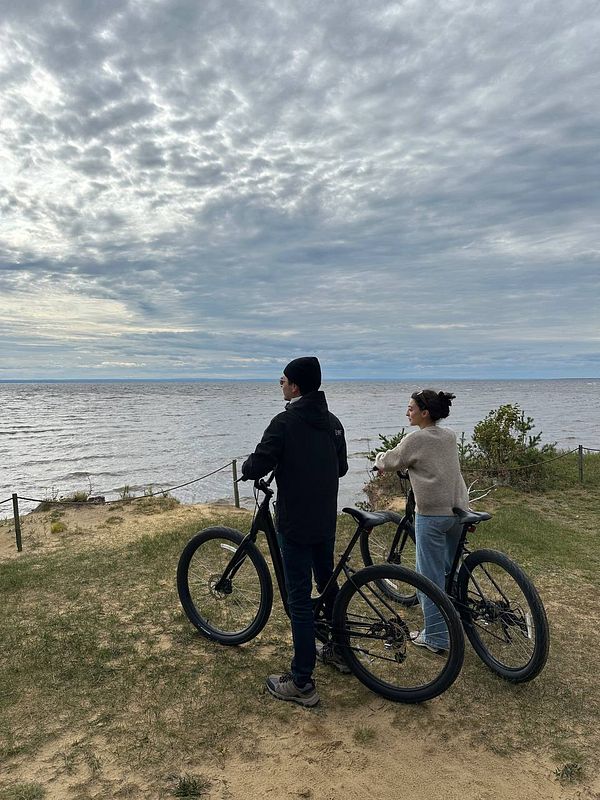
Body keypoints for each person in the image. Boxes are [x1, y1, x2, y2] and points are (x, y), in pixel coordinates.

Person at [241, 357, 348, 707]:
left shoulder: (285, 421)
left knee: (298, 600)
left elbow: (260, 461)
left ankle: (302, 681)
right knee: (327, 584)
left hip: (296, 522)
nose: (280, 384)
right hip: (324, 521)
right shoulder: (333, 423)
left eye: (284, 380)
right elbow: (342, 468)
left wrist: (248, 468)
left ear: (296, 387)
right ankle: (342, 652)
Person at [373, 389, 469, 654]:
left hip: (433, 516)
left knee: (429, 579)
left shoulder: (416, 439)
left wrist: (377, 460)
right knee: (450, 570)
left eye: (411, 408)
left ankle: (437, 638)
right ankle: (457, 617)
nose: (407, 411)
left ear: (424, 413)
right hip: (458, 512)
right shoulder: (448, 436)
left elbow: (392, 460)